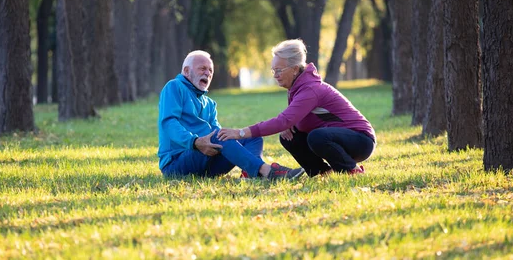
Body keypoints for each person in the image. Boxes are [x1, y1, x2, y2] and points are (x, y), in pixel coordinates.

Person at [218, 39, 376, 177]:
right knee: (289, 136)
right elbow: (293, 120)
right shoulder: (297, 88)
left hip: (361, 141)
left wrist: (240, 133)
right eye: (273, 70)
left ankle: (351, 170)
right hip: (338, 138)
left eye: (279, 70)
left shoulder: (310, 89)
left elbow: (283, 121)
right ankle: (322, 172)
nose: (275, 75)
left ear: (294, 69)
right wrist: (290, 125)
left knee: (316, 136)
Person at [158, 50, 305, 180]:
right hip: (176, 164)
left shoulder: (209, 103)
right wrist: (195, 142)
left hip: (208, 164)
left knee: (250, 136)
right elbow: (169, 123)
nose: (207, 73)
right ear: (186, 70)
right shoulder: (174, 87)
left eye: (210, 70)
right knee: (217, 136)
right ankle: (267, 171)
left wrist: (232, 135)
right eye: (202, 69)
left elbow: (219, 135)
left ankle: (251, 173)